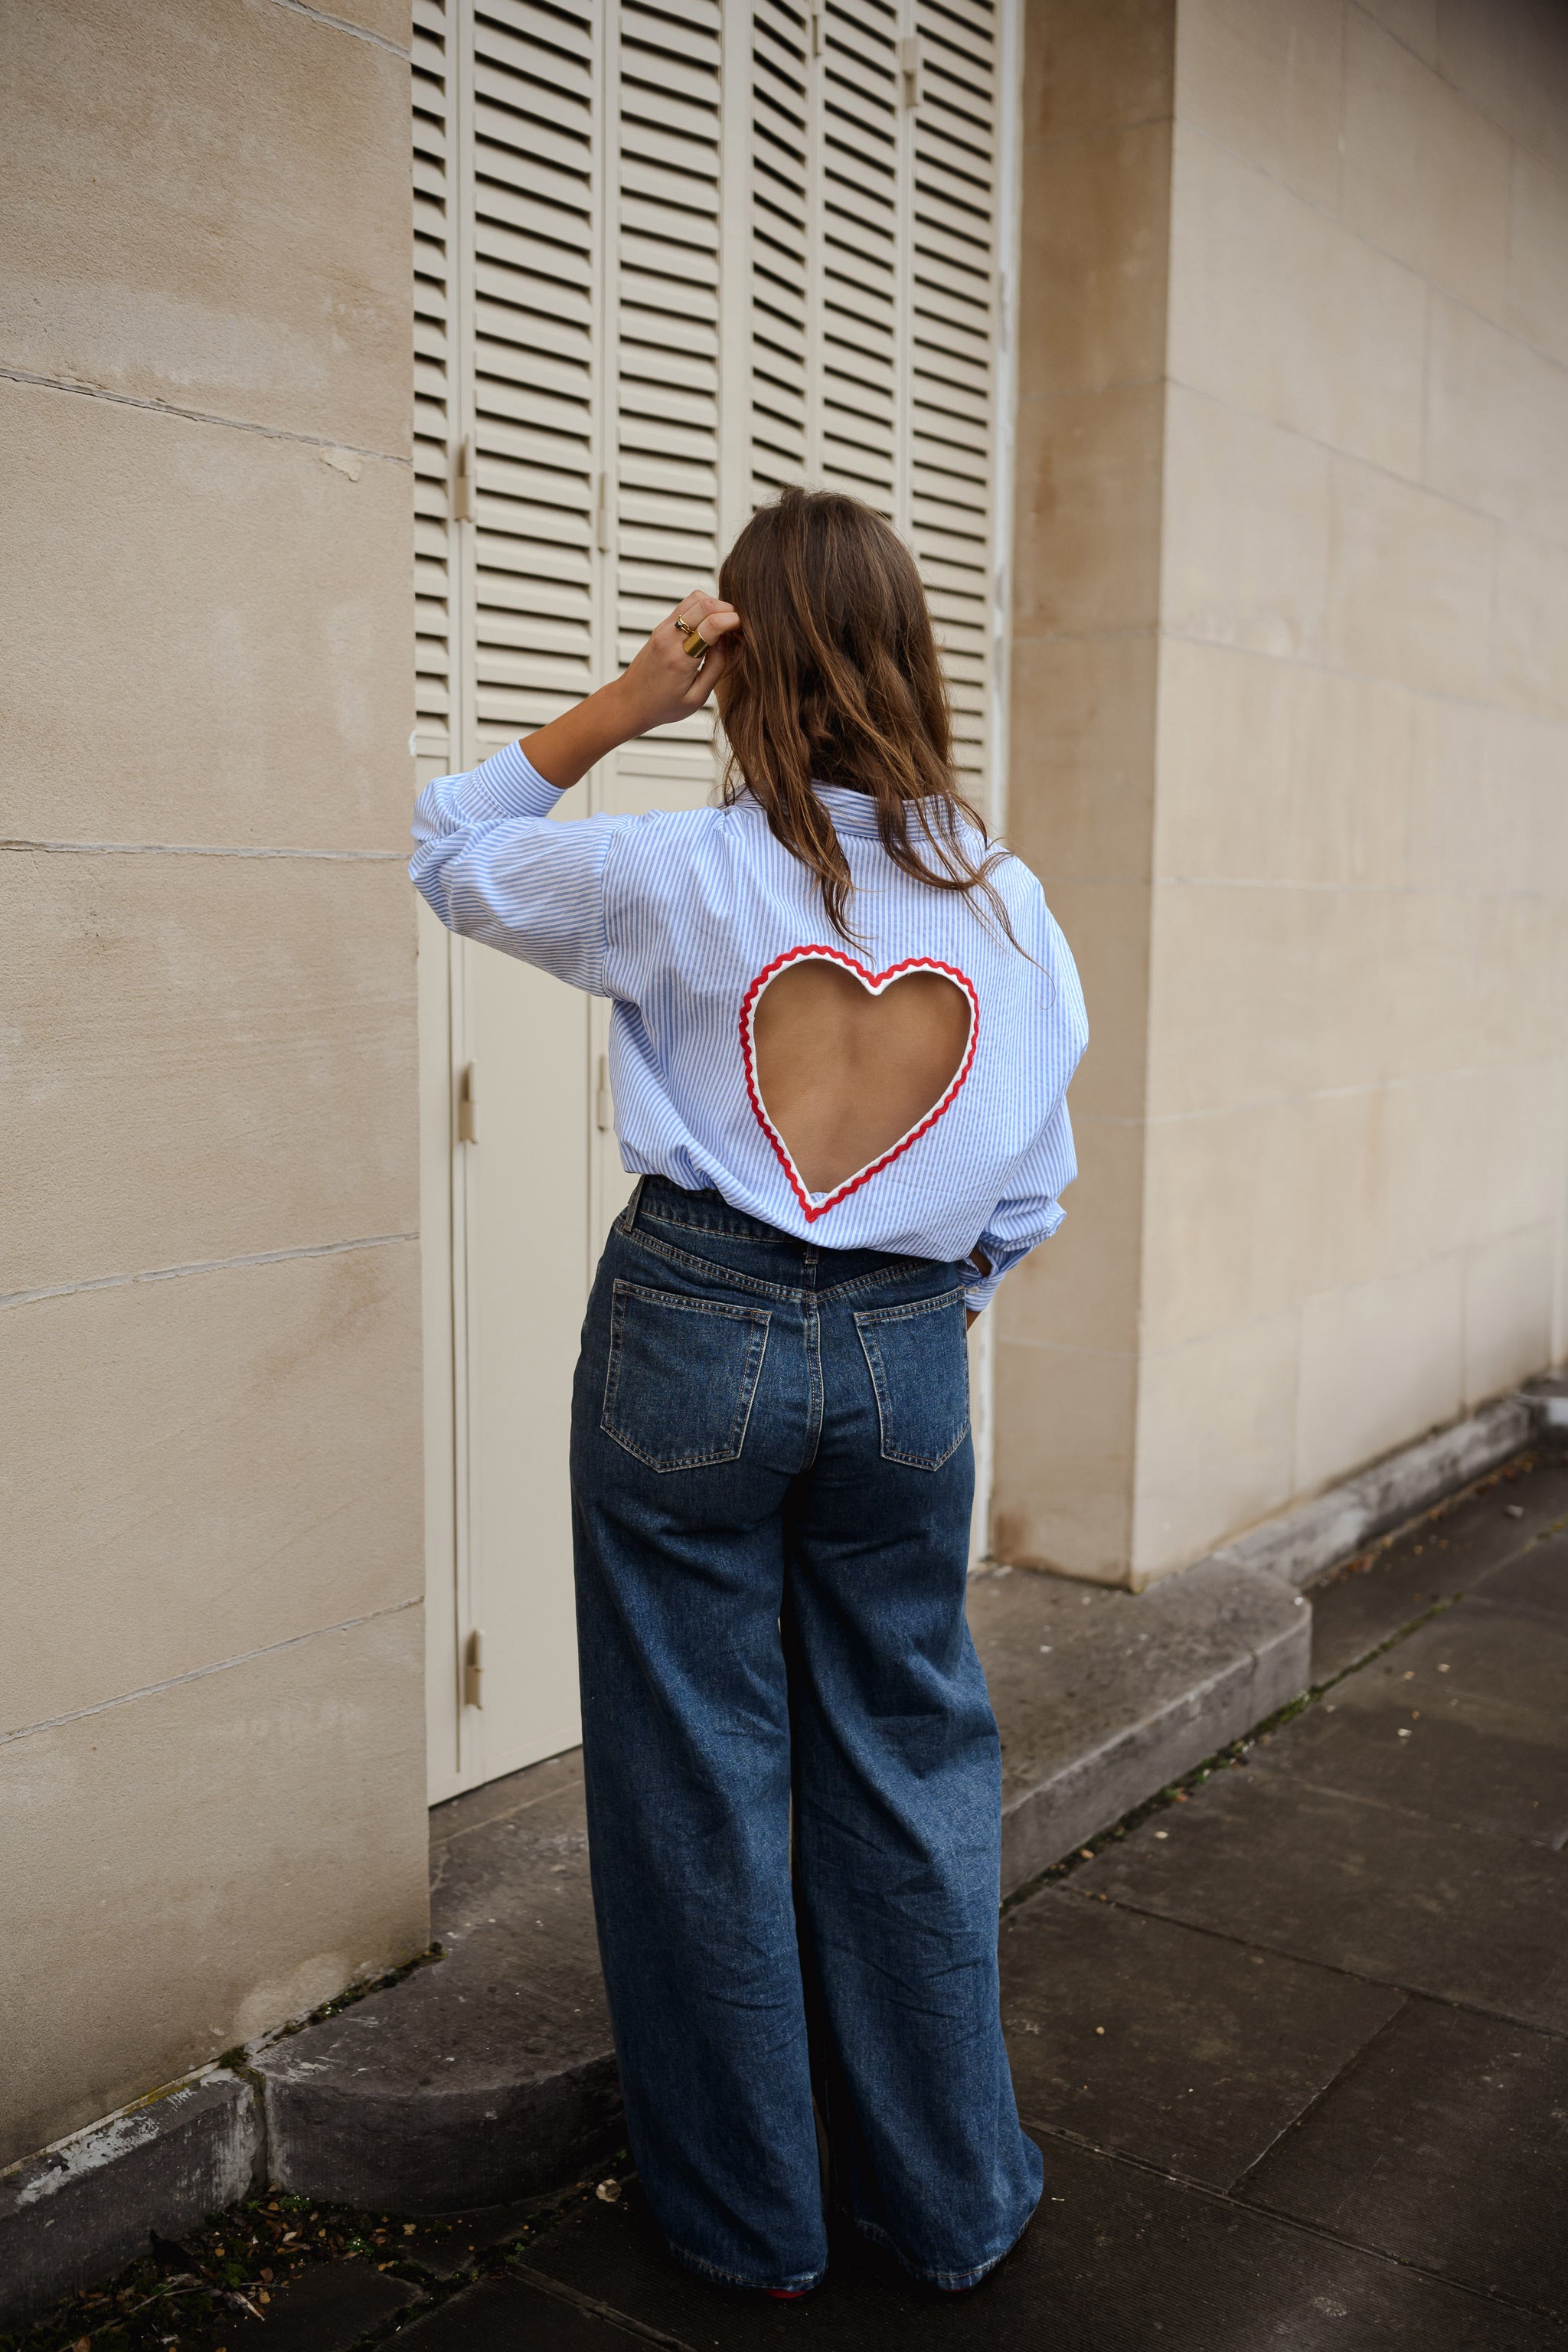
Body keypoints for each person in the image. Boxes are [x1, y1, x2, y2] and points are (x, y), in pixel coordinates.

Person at [410, 487, 1087, 2299]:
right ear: (910, 659)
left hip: (689, 1330)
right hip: (903, 1355)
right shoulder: (1007, 910)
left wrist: (627, 702)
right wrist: (919, 1305)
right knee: (909, 1757)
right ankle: (949, 2207)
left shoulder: (680, 875)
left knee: (694, 1778)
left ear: (742, 666)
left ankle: (748, 2226)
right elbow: (1030, 1190)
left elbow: (447, 844)